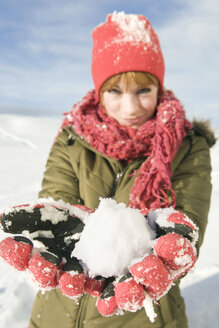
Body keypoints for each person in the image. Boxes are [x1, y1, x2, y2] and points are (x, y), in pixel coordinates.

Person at [0, 11, 216, 328]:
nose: (130, 108)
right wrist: (60, 226)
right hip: (58, 309)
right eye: (115, 90)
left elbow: (188, 226)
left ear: (159, 87)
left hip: (144, 313)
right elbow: (58, 198)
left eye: (143, 90)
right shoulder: (72, 140)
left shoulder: (187, 146)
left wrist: (175, 244)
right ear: (100, 91)